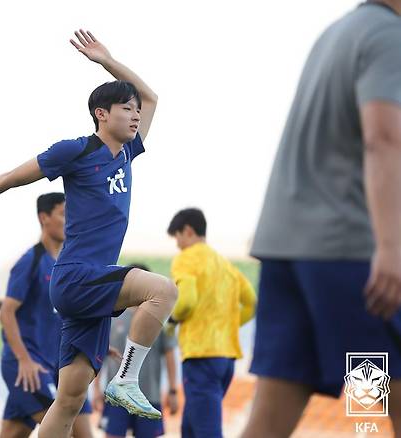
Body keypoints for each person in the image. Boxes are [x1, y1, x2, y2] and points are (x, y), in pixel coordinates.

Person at [0, 29, 176, 436]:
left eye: (135, 111)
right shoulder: (75, 151)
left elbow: (152, 98)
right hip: (78, 276)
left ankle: (117, 382)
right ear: (102, 113)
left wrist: (107, 59)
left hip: (88, 290)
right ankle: (127, 379)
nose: (136, 115)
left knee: (69, 400)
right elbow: (11, 177)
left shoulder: (128, 153)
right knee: (163, 290)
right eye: (126, 108)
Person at [242, 1, 401, 436]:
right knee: (385, 396)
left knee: (270, 419)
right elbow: (384, 139)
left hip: (286, 250)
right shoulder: (388, 36)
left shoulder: (336, 34)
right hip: (349, 252)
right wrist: (391, 246)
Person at [0, 193, 93, 438]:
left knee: (14, 433)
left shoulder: (66, 265)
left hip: (59, 367)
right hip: (30, 368)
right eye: (63, 214)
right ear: (44, 218)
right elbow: (7, 314)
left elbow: (57, 309)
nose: (69, 221)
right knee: (59, 429)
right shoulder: (30, 261)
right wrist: (24, 360)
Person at [166, 208, 256, 437]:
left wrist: (172, 321)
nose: (177, 245)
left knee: (206, 431)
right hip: (226, 359)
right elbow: (252, 303)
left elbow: (186, 301)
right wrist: (227, 326)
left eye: (177, 238)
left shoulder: (185, 258)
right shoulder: (225, 265)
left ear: (187, 231)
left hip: (200, 355)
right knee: (190, 428)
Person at [93, 264, 179, 438]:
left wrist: (173, 390)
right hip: (116, 398)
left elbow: (170, 355)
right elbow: (101, 353)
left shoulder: (160, 318)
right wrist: (96, 389)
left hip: (148, 396)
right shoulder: (112, 316)